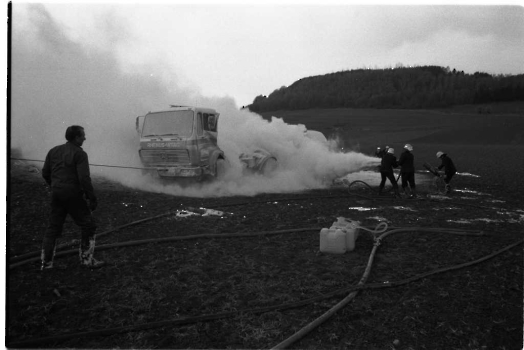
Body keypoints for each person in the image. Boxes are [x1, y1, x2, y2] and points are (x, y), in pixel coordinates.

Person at [40, 125, 105, 270]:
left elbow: (45, 173)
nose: (85, 138)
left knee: (53, 228)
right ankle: (87, 260)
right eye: (83, 135)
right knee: (89, 225)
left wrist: (55, 185)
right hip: (73, 194)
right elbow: (84, 178)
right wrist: (92, 197)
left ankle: (46, 264)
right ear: (76, 137)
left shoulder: (53, 151)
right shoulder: (80, 154)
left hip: (56, 194)